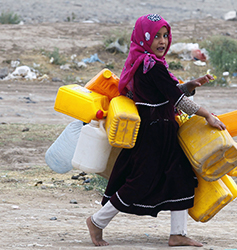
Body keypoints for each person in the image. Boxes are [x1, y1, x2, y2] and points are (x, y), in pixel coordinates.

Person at [87, 13, 226, 247]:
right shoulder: (151, 66)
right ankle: (96, 222)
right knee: (139, 181)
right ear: (144, 37)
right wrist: (208, 116)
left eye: (165, 35)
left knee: (180, 176)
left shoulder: (143, 62)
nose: (162, 41)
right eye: (156, 36)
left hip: (163, 130)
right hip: (153, 133)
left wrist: (189, 86)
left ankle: (177, 233)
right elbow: (177, 100)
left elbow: (167, 92)